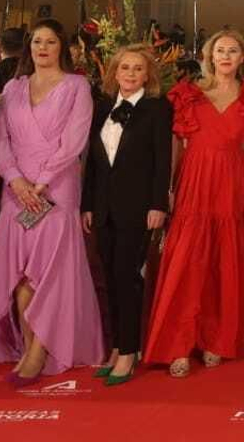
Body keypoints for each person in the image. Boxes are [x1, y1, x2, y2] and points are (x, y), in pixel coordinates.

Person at [0, 19, 103, 383]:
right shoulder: (12, 88)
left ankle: (41, 351)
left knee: (49, 273)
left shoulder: (77, 86)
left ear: (63, 47)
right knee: (20, 273)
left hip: (56, 189)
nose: (42, 48)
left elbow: (75, 140)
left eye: (50, 42)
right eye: (37, 42)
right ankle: (28, 345)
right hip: (16, 190)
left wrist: (41, 182)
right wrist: (17, 179)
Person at [145, 29, 244, 377]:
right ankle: (178, 345)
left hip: (232, 183)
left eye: (233, 50)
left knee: (224, 263)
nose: (226, 56)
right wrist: (168, 189)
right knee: (188, 263)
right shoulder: (190, 95)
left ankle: (216, 339)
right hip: (194, 182)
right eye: (220, 50)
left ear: (242, 57)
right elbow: (176, 145)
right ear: (209, 56)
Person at [80, 44, 172, 386]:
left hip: (138, 208)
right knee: (110, 278)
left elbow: (162, 162)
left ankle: (131, 349)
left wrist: (158, 204)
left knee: (127, 277)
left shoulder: (157, 108)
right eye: (125, 68)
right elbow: (92, 163)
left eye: (137, 69)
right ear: (114, 73)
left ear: (147, 75)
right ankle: (117, 346)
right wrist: (87, 204)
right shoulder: (103, 106)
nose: (131, 74)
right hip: (102, 209)